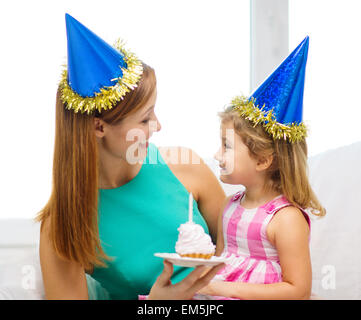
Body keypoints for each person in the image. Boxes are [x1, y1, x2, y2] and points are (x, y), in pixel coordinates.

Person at [37, 14, 225, 300]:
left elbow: (241, 250)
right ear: (99, 127)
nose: (158, 127)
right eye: (145, 119)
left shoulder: (185, 167)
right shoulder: (62, 224)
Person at [195, 37, 326, 300]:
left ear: (262, 160)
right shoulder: (229, 206)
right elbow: (221, 262)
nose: (217, 155)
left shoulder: (285, 219)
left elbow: (297, 289)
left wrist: (223, 288)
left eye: (226, 146)